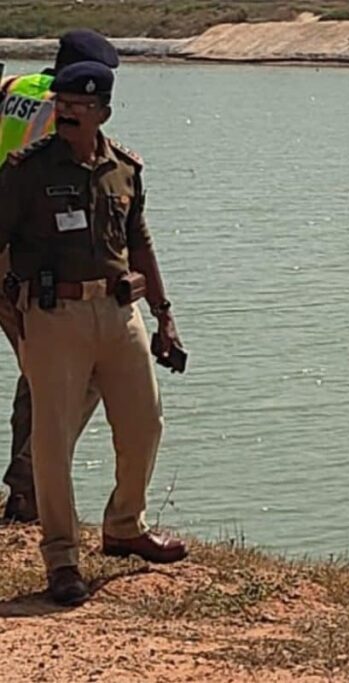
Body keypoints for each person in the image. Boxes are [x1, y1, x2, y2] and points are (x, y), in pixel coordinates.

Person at [0, 61, 187, 606]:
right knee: (52, 442)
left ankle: (125, 524)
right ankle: (61, 558)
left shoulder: (123, 169)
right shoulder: (25, 171)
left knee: (143, 422)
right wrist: (17, 303)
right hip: (54, 317)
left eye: (79, 108)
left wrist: (164, 314)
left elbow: (140, 242)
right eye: (61, 105)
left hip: (119, 314)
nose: (66, 114)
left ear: (102, 111)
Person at [0, 29, 120, 524]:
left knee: (39, 371)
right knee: (62, 375)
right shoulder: (68, 115)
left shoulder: (15, 87)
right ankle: (28, 488)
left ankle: (26, 489)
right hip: (25, 255)